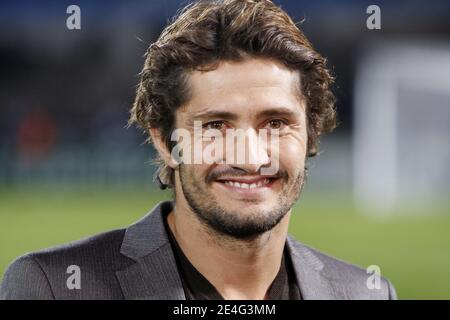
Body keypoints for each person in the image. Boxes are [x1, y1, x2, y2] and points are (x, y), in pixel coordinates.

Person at [0, 0, 396, 300]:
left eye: (275, 124)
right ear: (164, 141)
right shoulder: (54, 286)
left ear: (310, 136)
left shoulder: (367, 293)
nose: (249, 157)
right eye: (216, 126)